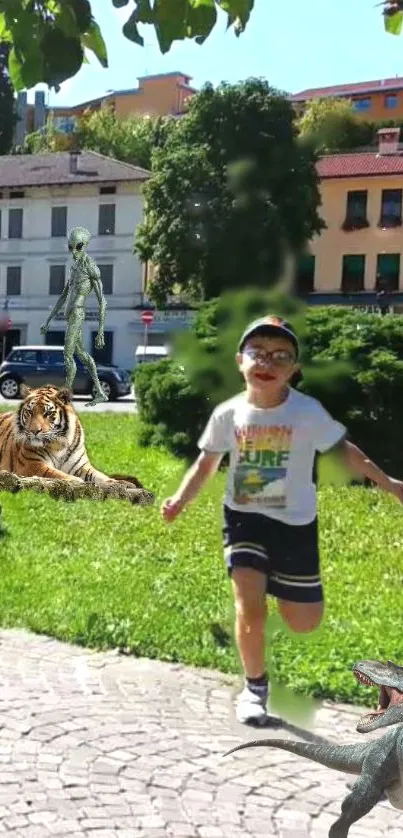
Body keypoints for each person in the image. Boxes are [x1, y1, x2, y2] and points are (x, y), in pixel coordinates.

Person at [161, 315, 403, 726]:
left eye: (280, 355)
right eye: (257, 352)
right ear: (240, 361)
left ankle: (276, 583)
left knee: (304, 621)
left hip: (294, 526)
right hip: (244, 520)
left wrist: (388, 483)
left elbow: (345, 450)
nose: (266, 362)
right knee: (249, 608)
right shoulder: (228, 413)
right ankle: (255, 689)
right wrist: (181, 499)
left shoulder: (307, 412)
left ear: (294, 369)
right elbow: (207, 462)